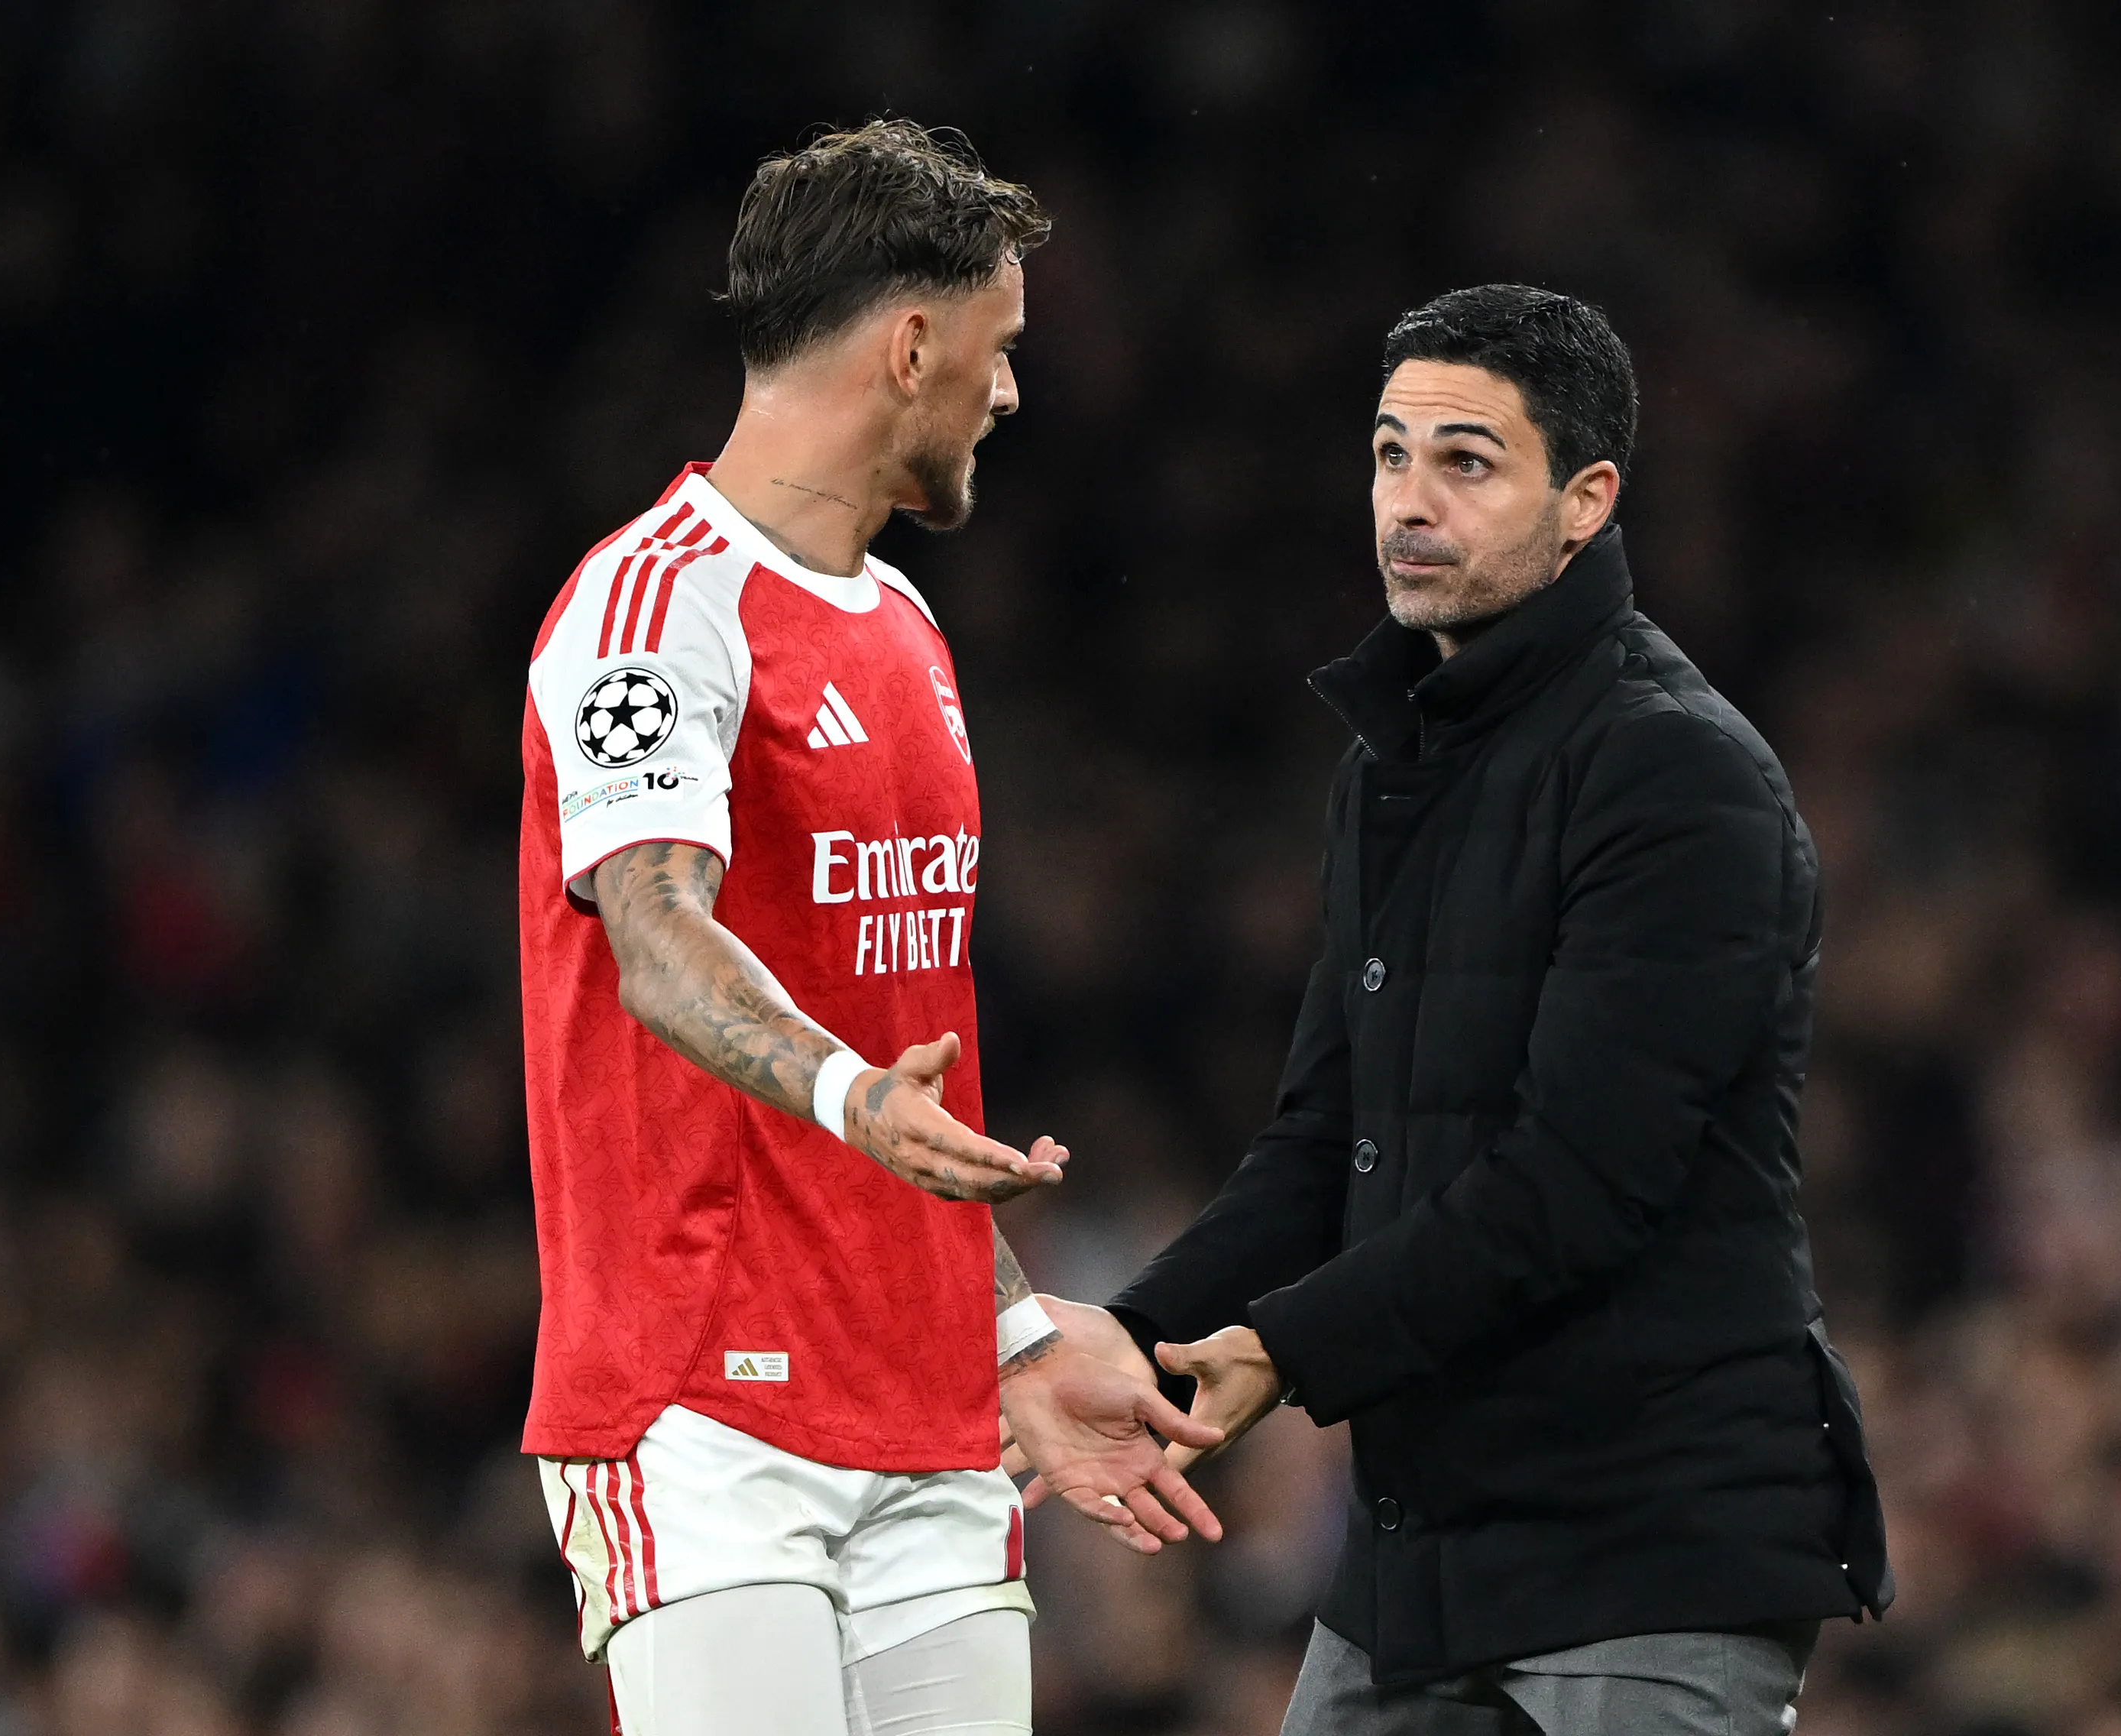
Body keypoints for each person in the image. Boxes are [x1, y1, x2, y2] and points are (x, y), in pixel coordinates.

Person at [1044, 284, 1893, 1734]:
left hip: (1650, 1547)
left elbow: (1581, 1180)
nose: (1408, 501)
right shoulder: (1392, 768)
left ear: (1585, 502)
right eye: (1389, 456)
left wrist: (1286, 1350)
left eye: (1466, 462)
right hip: (1421, 1558)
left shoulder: (1676, 774)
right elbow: (1327, 1143)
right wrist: (1137, 1337)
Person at [516, 120, 1220, 1736]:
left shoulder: (904, 627)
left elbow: (903, 1065)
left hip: (927, 1415)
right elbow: (655, 938)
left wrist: (1013, 1330)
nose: (1011, 391)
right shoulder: (651, 607)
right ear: (911, 347)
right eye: (999, 346)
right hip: (704, 1411)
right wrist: (848, 1094)